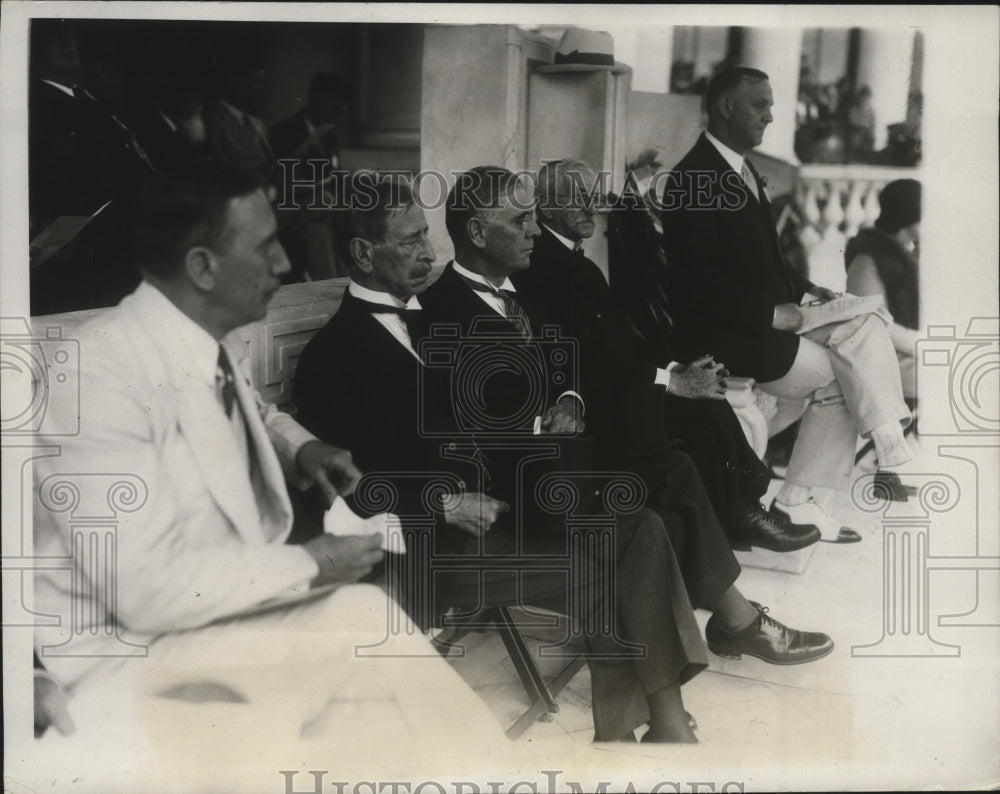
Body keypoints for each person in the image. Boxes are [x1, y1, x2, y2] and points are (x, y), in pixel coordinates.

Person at [32, 166, 508, 773]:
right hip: (126, 655)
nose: (286, 264)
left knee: (368, 617)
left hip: (207, 622)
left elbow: (255, 410)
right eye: (265, 246)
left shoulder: (205, 337)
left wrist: (301, 446)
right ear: (203, 267)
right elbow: (145, 594)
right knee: (369, 688)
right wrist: (311, 562)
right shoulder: (96, 379)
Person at [294, 175, 708, 744]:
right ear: (364, 253)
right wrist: (441, 500)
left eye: (425, 237)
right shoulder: (331, 357)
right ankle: (653, 727)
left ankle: (649, 727)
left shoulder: (426, 320)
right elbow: (343, 483)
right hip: (429, 548)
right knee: (624, 552)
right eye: (411, 241)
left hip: (500, 510)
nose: (429, 253)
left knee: (636, 525)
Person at [420, 167, 834, 704]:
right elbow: (459, 425)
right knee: (664, 481)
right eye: (520, 220)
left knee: (675, 467)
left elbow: (571, 365)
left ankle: (733, 620)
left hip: (565, 461)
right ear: (477, 233)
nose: (533, 229)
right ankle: (731, 626)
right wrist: (536, 423)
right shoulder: (441, 312)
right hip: (520, 489)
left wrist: (567, 400)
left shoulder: (519, 288)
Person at [661, 67, 918, 543]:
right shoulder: (692, 179)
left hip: (763, 320)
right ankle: (806, 496)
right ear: (725, 107)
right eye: (760, 104)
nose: (772, 115)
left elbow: (767, 262)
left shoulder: (738, 168)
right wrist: (771, 313)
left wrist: (808, 291)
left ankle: (859, 464)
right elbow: (694, 286)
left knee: (864, 318)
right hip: (728, 335)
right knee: (844, 373)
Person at [515, 157, 819, 553]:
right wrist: (670, 380)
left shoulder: (572, 259)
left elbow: (615, 342)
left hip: (611, 383)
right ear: (546, 207)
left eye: (593, 195)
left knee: (707, 400)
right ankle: (744, 517)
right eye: (576, 198)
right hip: (595, 401)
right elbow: (590, 358)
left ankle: (748, 512)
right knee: (702, 410)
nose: (591, 205)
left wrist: (674, 369)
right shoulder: (545, 265)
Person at [271, 71, 352, 281]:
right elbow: (280, 183)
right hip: (291, 209)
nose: (338, 116)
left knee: (321, 228)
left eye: (342, 111)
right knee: (323, 222)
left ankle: (339, 284)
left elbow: (335, 174)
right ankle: (336, 286)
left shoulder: (329, 135)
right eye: (334, 108)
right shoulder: (283, 133)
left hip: (319, 214)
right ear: (317, 100)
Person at [845, 179, 921, 398]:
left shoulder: (908, 253)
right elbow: (874, 323)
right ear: (910, 217)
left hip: (909, 351)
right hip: (883, 359)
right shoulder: (868, 257)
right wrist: (924, 344)